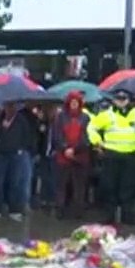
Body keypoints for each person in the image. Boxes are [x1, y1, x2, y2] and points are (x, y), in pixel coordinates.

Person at [89, 89, 135, 224]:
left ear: (129, 100)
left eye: (124, 98)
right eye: (119, 98)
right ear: (113, 100)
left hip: (130, 155)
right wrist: (97, 142)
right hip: (111, 154)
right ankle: (109, 215)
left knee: (129, 187)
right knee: (109, 186)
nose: (121, 101)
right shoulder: (107, 115)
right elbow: (91, 127)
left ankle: (128, 216)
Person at [50, 89, 92, 220]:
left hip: (80, 157)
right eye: (72, 102)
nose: (74, 104)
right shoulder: (61, 117)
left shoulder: (85, 117)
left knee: (79, 186)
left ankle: (78, 212)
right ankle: (60, 210)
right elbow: (57, 135)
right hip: (63, 157)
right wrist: (65, 149)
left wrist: (76, 150)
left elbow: (87, 136)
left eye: (76, 102)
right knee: (61, 185)